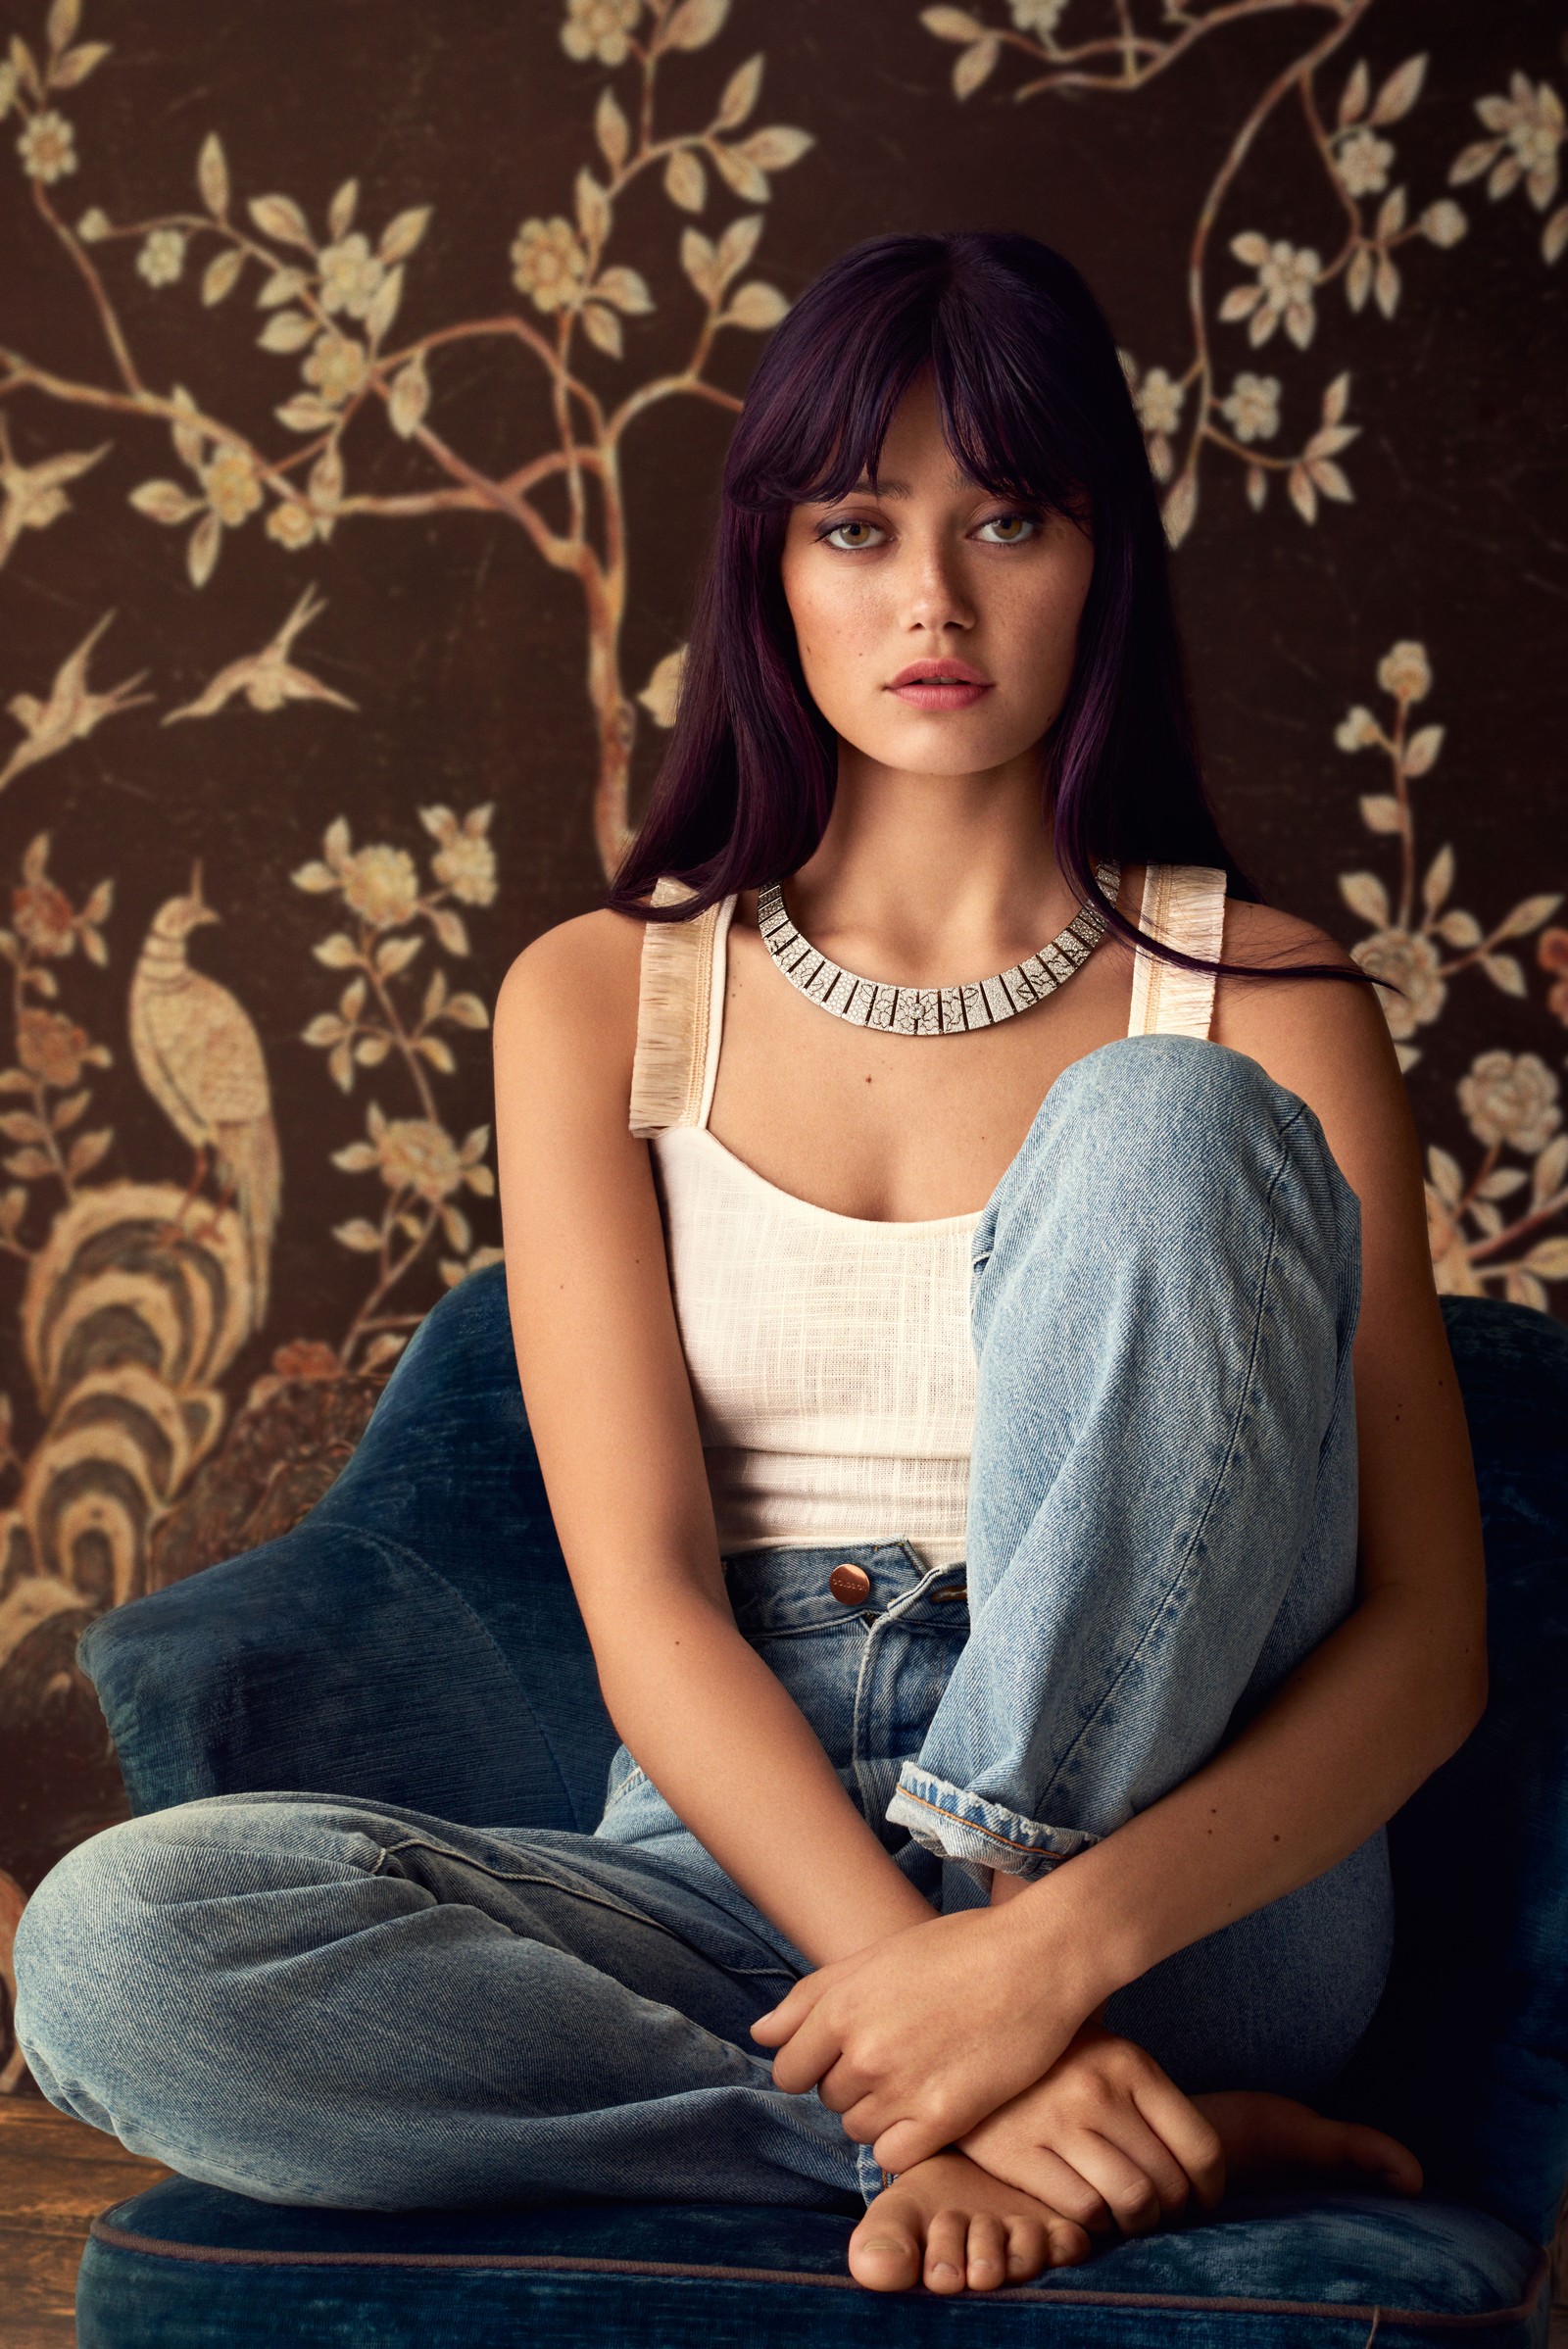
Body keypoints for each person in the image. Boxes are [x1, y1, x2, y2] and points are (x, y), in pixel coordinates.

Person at [13, 230, 1486, 2300]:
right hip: (748, 1873)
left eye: (1006, 519)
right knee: (112, 1947)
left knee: (1155, 1128)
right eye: (856, 526)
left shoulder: (1260, 993)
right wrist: (926, 2007)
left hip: (1181, 1892)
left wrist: (1037, 1947)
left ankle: (1019, 2054)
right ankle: (1050, 2134)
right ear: (771, 569)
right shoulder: (597, 997)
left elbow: (1425, 1637)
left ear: (1098, 560)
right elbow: (641, 1599)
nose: (931, 600)